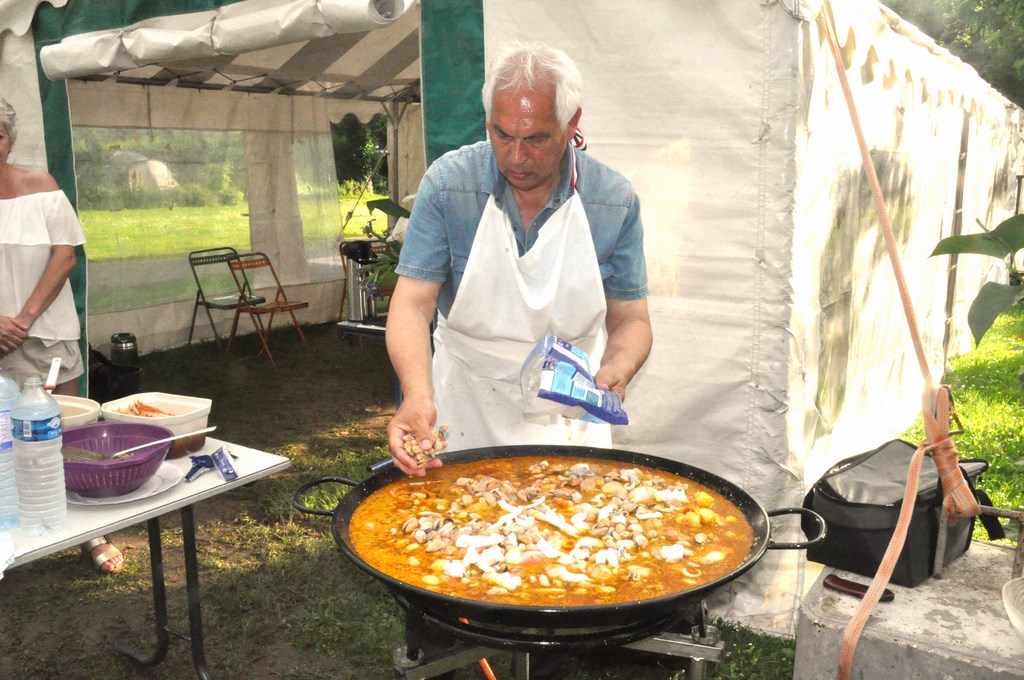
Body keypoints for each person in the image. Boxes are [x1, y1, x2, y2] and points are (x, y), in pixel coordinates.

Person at [384, 42, 653, 677]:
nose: (516, 157)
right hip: (465, 399)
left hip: (566, 406)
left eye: (535, 139)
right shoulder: (451, 183)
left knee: (565, 572)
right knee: (448, 570)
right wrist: (416, 397)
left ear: (573, 124)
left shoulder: (613, 200)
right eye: (502, 136)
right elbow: (412, 305)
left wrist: (612, 371)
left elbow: (632, 321)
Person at [0, 96, 124, 575]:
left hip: (44, 334)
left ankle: (90, 532)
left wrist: (23, 319)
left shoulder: (41, 186)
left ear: (11, 140)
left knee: (66, 435)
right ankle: (14, 528)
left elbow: (65, 255)